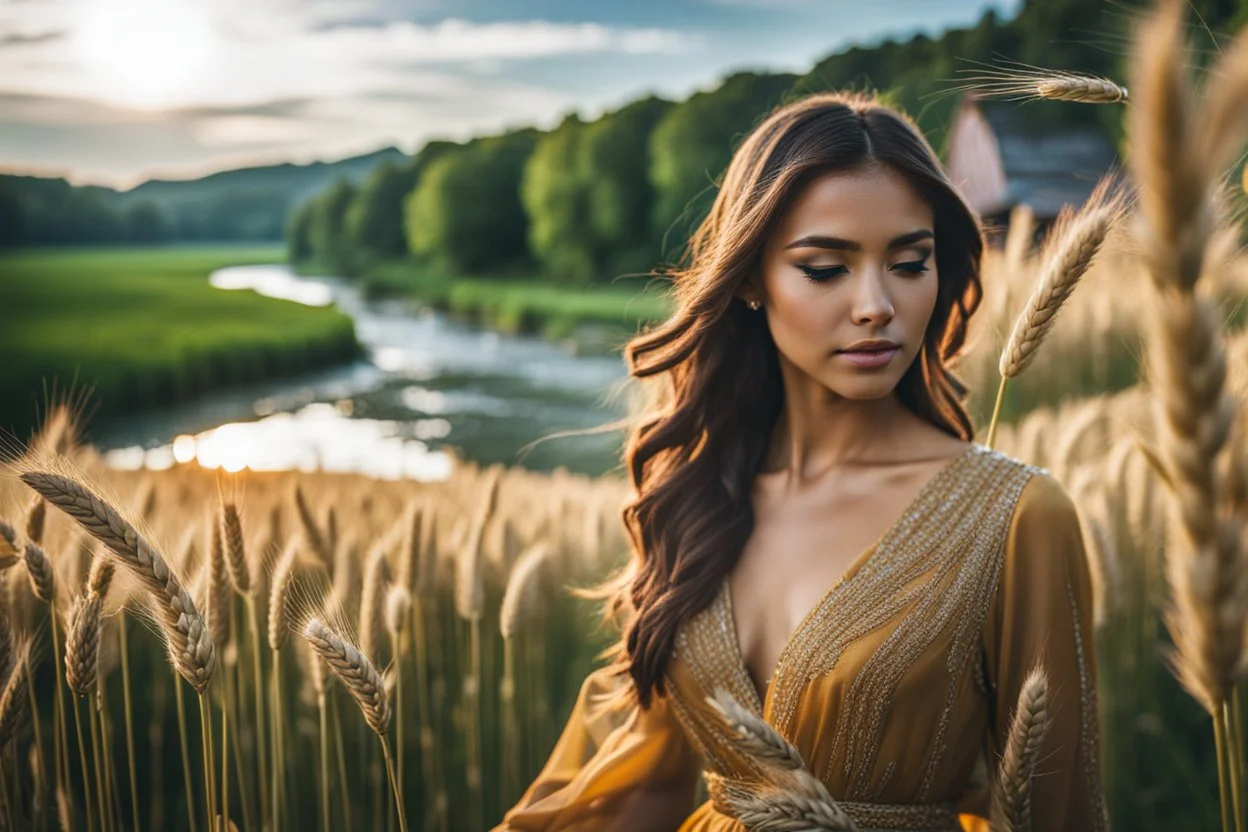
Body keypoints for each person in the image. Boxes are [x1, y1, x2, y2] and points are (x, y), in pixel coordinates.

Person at [492, 90, 1106, 832]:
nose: (876, 304)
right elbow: (643, 786)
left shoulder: (1015, 518)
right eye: (825, 269)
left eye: (910, 263)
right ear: (751, 279)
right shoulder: (697, 495)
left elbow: (1058, 809)